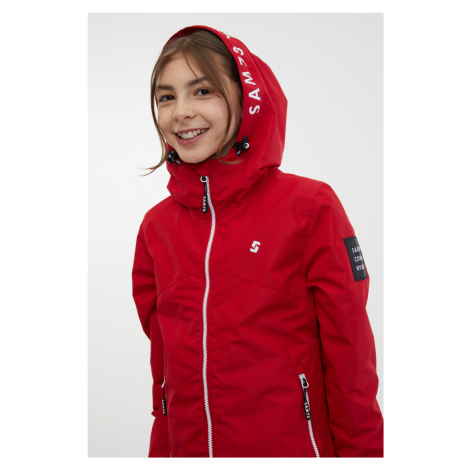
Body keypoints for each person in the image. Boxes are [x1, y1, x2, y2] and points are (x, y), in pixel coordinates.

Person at [132, 25, 383, 458]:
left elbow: (351, 367)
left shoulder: (310, 207)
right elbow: (164, 384)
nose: (181, 112)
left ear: (247, 98)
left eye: (202, 90)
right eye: (166, 96)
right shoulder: (157, 229)